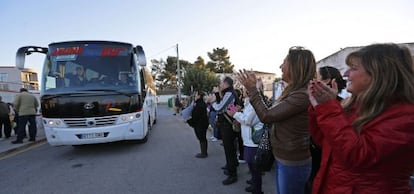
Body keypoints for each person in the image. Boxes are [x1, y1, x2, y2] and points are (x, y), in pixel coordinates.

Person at [308, 43, 414, 193]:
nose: (345, 74)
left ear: (378, 74)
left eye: (354, 68)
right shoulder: (354, 105)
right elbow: (325, 142)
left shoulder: (405, 117)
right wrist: (318, 108)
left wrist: (328, 110)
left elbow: (357, 156)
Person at [237, 46, 316, 194]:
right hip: (285, 158)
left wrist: (253, 90)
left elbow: (267, 116)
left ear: (295, 67)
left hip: (292, 162)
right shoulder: (294, 92)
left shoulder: (301, 95)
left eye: (284, 62)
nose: (280, 66)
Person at [306, 66, 346, 193]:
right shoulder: (319, 103)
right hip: (318, 155)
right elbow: (317, 136)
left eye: (316, 78)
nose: (312, 82)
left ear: (327, 81)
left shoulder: (342, 106)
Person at [227, 88, 264, 194]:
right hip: (248, 141)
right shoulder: (248, 104)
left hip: (253, 141)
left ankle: (258, 190)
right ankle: (254, 183)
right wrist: (237, 112)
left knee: (254, 167)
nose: (242, 92)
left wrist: (235, 114)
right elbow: (244, 116)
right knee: (251, 164)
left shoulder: (254, 105)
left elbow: (248, 120)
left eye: (244, 89)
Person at [207, 76, 240, 185]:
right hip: (228, 124)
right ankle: (232, 167)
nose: (220, 85)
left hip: (228, 125)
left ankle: (232, 175)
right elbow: (231, 107)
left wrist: (212, 102)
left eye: (221, 83)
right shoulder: (230, 93)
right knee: (230, 149)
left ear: (226, 84)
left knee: (229, 150)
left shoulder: (229, 93)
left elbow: (219, 108)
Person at [187, 91, 209, 158]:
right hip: (202, 124)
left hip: (201, 124)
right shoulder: (199, 103)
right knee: (202, 138)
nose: (194, 97)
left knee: (202, 137)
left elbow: (196, 116)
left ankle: (204, 153)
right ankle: (204, 152)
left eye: (196, 95)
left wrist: (189, 121)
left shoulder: (200, 104)